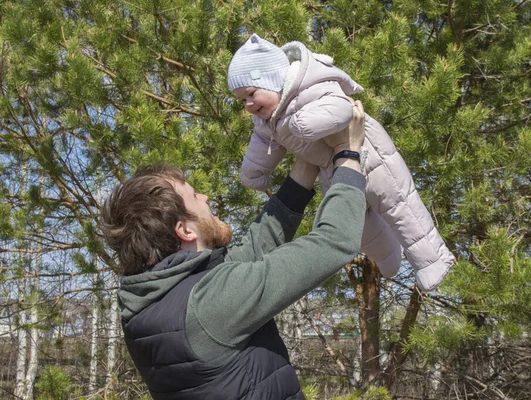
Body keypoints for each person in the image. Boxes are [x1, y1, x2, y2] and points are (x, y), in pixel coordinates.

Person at [100, 102, 367, 399]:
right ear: (185, 230)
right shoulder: (208, 305)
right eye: (194, 196)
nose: (205, 196)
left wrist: (308, 161)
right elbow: (335, 241)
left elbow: (254, 246)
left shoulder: (149, 306)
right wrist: (348, 152)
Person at [228, 33, 455, 291]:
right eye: (241, 101)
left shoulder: (310, 86)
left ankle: (433, 261)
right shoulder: (269, 120)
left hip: (371, 156)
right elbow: (260, 146)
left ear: (271, 80)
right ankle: (390, 254)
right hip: (335, 170)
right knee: (358, 229)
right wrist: (253, 174)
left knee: (400, 206)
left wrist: (303, 125)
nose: (247, 105)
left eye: (250, 94)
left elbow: (342, 109)